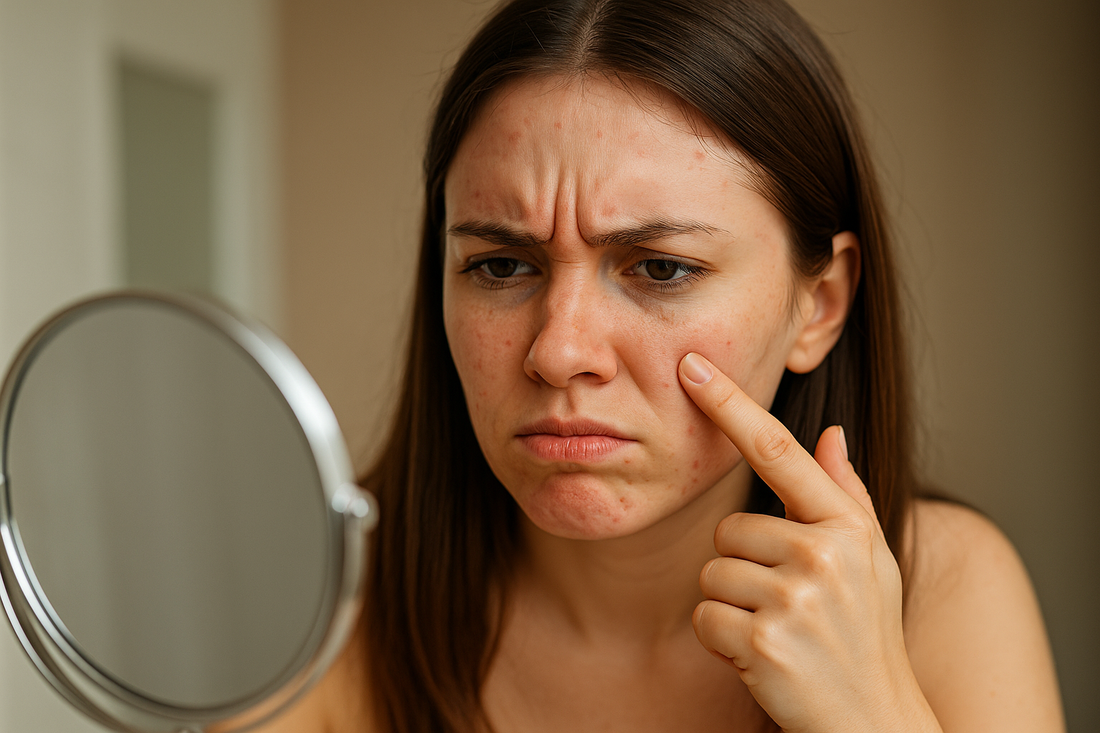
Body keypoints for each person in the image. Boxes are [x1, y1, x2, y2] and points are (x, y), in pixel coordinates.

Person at [262, 0, 1064, 730]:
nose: (559, 351)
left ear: (817, 305)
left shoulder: (947, 586)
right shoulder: (320, 608)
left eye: (661, 268)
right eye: (502, 266)